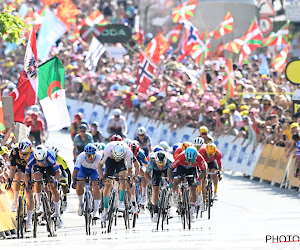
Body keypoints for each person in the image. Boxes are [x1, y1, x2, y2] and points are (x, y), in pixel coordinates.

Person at [24, 145, 63, 228]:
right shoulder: (32, 158)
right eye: (39, 161)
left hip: (50, 167)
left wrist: (56, 180)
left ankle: (57, 214)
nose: (41, 163)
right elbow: (26, 174)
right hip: (37, 169)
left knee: (53, 187)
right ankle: (38, 204)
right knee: (37, 180)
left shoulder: (50, 156)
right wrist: (27, 184)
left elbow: (58, 171)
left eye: (42, 161)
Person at [98, 141, 133, 222]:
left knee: (123, 178)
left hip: (122, 162)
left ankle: (121, 202)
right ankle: (105, 209)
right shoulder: (107, 150)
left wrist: (129, 179)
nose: (117, 159)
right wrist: (102, 177)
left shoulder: (128, 153)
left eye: (118, 157)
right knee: (107, 184)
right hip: (110, 160)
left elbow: (130, 169)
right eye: (116, 157)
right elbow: (99, 166)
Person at [169, 147, 207, 222]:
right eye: (189, 160)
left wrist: (198, 179)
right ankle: (174, 195)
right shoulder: (180, 157)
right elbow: (170, 169)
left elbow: (204, 171)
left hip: (192, 170)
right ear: (185, 157)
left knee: (193, 188)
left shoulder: (200, 158)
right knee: (176, 181)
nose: (190, 162)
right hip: (181, 168)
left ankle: (192, 212)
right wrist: (170, 180)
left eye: (192, 160)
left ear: (196, 157)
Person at [5, 139, 34, 231]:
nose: (22, 155)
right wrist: (9, 181)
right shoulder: (14, 152)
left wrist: (31, 183)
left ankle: (29, 221)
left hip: (30, 169)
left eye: (25, 154)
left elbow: (33, 171)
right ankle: (15, 201)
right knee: (17, 176)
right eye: (21, 153)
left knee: (29, 194)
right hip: (20, 167)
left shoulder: (33, 154)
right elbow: (12, 168)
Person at [72, 143, 103, 219]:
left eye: (92, 155)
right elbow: (75, 171)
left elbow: (103, 170)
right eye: (88, 155)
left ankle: (96, 211)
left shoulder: (99, 157)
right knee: (80, 183)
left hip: (95, 170)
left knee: (96, 185)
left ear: (95, 154)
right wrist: (74, 181)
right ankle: (80, 204)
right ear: (85, 154)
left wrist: (102, 180)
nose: (90, 157)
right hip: (83, 170)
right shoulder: (81, 156)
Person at [145, 151, 173, 222]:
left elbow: (174, 172)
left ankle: (168, 206)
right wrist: (151, 181)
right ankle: (155, 210)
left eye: (162, 164)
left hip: (167, 170)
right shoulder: (152, 161)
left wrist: (170, 181)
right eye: (159, 164)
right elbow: (146, 173)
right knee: (155, 188)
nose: (161, 166)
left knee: (169, 185)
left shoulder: (170, 161)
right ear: (156, 162)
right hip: (156, 171)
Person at [49, 145, 71, 212]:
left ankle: (64, 199)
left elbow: (68, 172)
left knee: (64, 183)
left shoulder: (60, 159)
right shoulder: (48, 159)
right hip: (52, 172)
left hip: (61, 172)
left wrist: (68, 185)